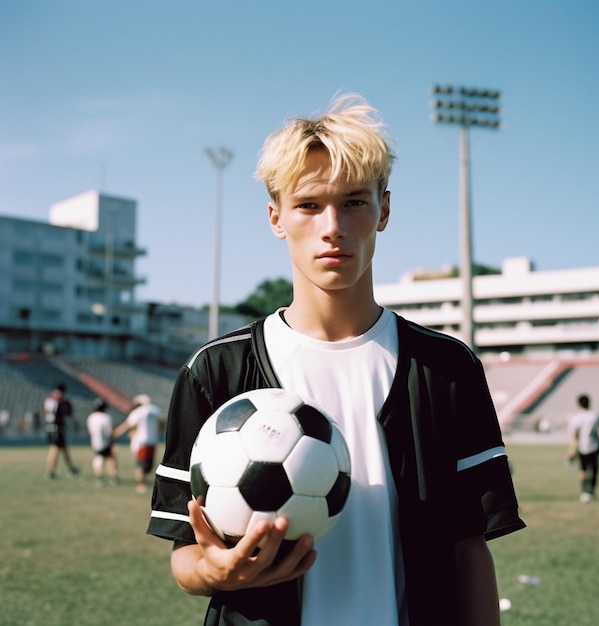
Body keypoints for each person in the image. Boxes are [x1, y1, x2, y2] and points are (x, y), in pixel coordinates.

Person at [147, 94, 525, 625]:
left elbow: (469, 550)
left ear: (383, 210)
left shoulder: (447, 369)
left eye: (354, 202)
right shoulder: (216, 371)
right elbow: (185, 554)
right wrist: (218, 572)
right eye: (308, 205)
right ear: (276, 217)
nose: (333, 226)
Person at [113, 394, 164, 493]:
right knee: (149, 464)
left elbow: (127, 425)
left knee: (140, 464)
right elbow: (162, 423)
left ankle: (141, 484)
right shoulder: (155, 410)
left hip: (140, 441)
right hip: (153, 440)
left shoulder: (137, 412)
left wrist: (115, 434)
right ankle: (142, 481)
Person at [567, 393, 599, 503]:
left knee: (583, 470)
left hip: (582, 447)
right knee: (594, 469)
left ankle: (585, 491)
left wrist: (571, 451)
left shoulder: (575, 418)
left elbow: (574, 437)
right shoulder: (596, 415)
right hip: (595, 446)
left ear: (578, 404)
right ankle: (591, 491)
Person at [43, 383, 79, 479]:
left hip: (58, 428)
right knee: (54, 448)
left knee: (63, 449)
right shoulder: (52, 402)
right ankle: (51, 471)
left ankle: (71, 467)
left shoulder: (60, 402)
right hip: (55, 428)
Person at [86, 398, 119, 486]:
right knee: (111, 458)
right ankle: (114, 477)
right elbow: (110, 431)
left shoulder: (91, 417)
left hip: (96, 442)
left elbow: (90, 431)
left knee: (98, 458)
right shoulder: (106, 417)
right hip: (106, 442)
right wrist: (112, 442)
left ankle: (99, 477)